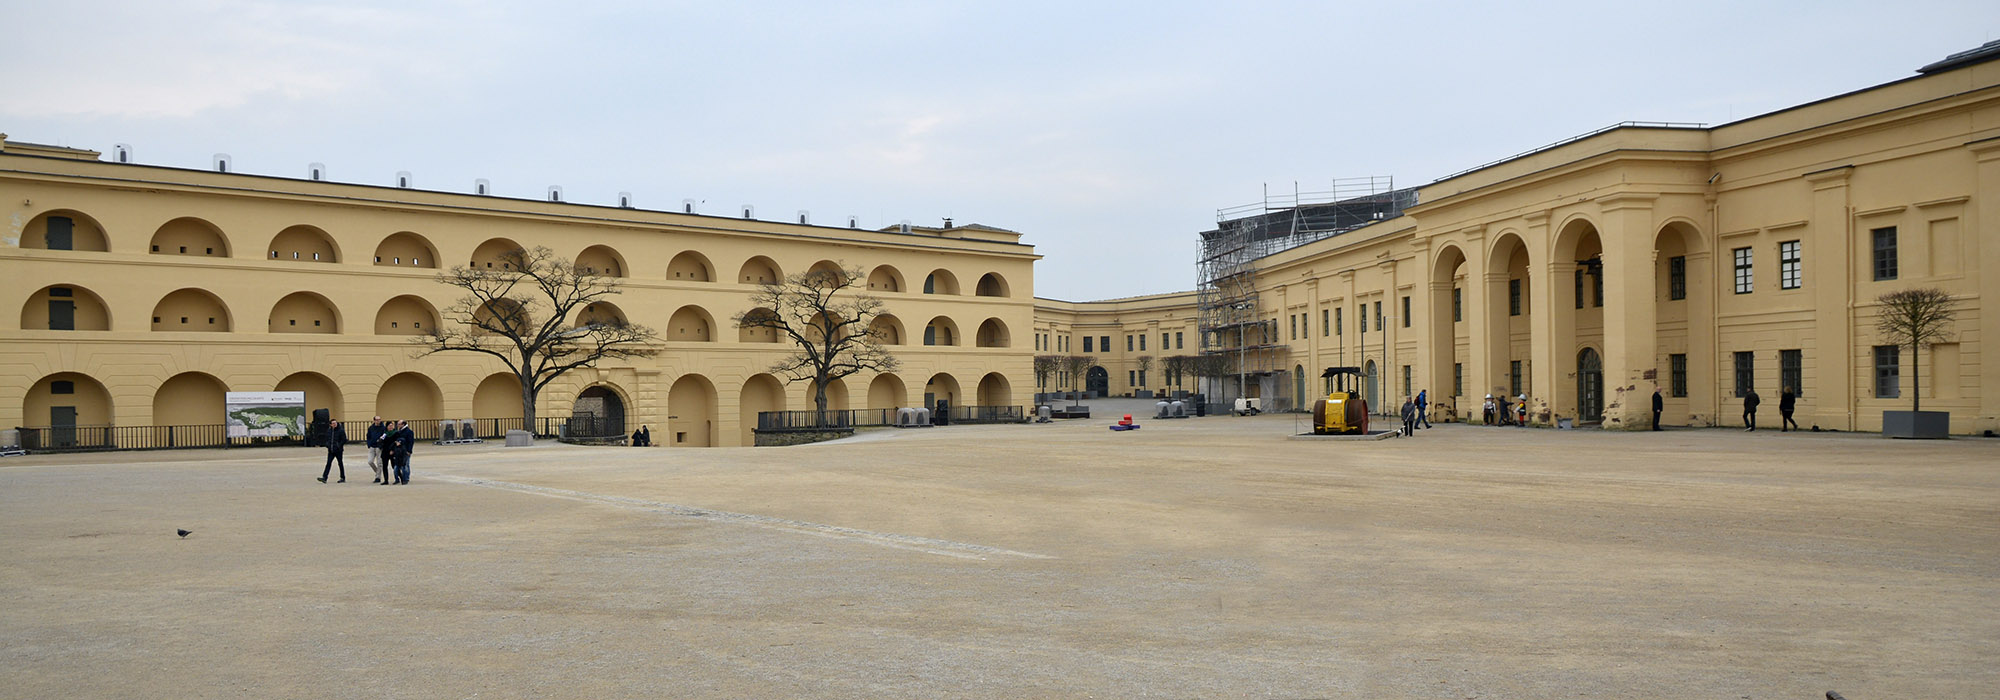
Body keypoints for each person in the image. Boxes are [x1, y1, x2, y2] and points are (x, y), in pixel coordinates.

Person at [391, 420, 415, 484]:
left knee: (406, 464)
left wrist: (409, 451)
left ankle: (406, 478)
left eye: (399, 424)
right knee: (398, 465)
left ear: (403, 424)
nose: (397, 425)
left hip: (405, 451)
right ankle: (399, 478)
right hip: (398, 451)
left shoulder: (409, 432)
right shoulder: (399, 432)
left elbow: (411, 442)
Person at [366, 416, 388, 484]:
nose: (378, 421)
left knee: (379, 463)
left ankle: (378, 477)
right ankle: (377, 472)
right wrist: (369, 444)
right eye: (377, 420)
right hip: (372, 446)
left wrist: (381, 443)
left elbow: (384, 436)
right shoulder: (371, 428)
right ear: (374, 420)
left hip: (379, 447)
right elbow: (368, 436)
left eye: (379, 420)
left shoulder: (383, 428)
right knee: (370, 461)